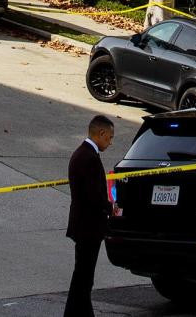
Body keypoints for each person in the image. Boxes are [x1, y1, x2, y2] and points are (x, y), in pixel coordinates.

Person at [65, 114, 115, 317]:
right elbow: (94, 196)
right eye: (109, 137)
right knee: (84, 277)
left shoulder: (81, 154)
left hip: (83, 226)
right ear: (101, 133)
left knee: (83, 277)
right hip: (88, 227)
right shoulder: (89, 158)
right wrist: (110, 208)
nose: (110, 142)